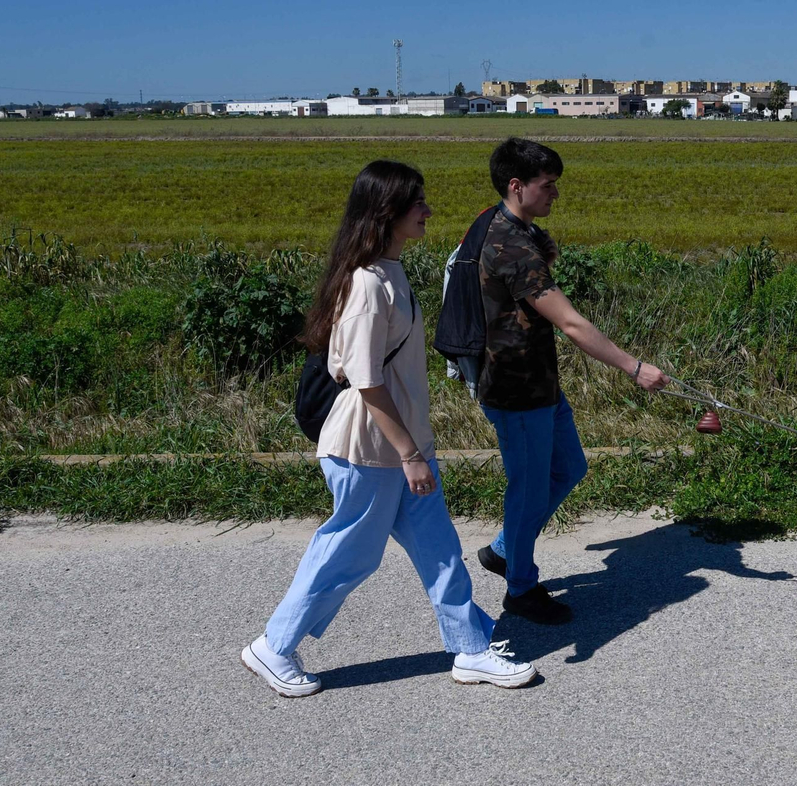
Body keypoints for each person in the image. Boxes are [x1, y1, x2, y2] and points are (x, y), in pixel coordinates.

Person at [242, 160, 534, 697]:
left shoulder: (389, 272)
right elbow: (367, 382)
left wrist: (414, 446)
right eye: (417, 202)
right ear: (387, 213)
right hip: (369, 447)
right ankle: (274, 646)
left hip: (401, 444)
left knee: (439, 547)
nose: (428, 210)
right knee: (348, 552)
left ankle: (470, 648)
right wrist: (410, 454)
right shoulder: (366, 286)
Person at [466, 138, 669, 625]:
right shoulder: (513, 247)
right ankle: (521, 587)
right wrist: (634, 368)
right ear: (517, 186)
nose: (556, 193)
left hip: (540, 385)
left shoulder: (513, 227)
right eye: (547, 185)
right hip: (516, 390)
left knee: (570, 467)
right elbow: (572, 323)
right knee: (529, 490)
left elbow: (542, 261)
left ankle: (502, 548)